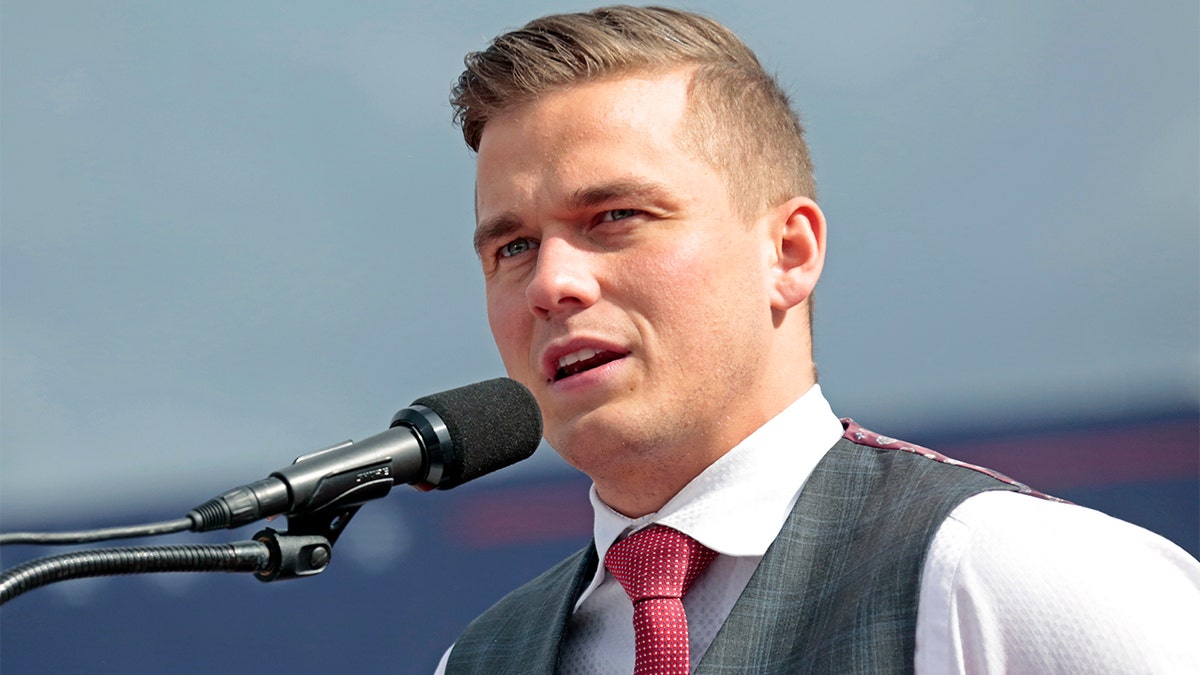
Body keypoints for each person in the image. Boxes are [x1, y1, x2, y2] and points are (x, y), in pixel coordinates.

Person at [435, 6, 1200, 673]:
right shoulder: (479, 660)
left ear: (788, 252)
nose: (550, 284)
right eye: (513, 247)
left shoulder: (1001, 576)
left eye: (614, 217)